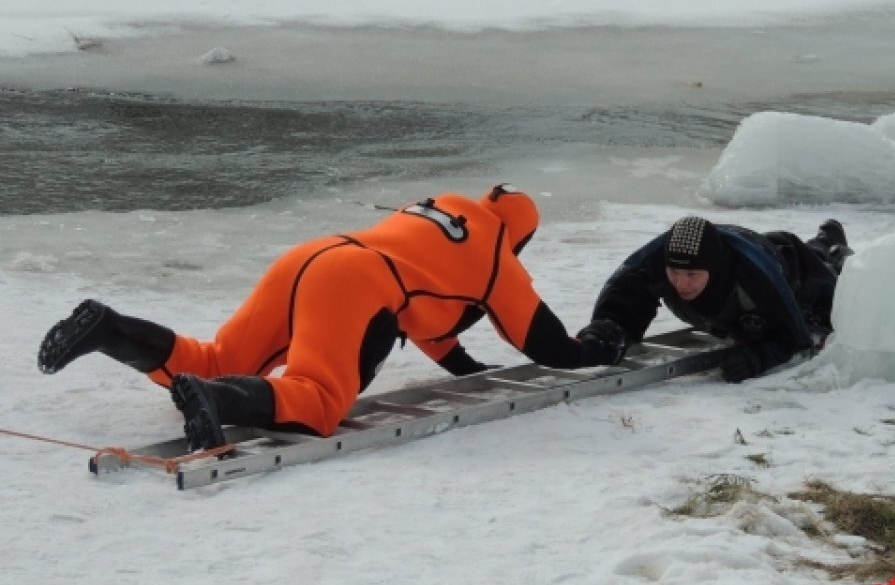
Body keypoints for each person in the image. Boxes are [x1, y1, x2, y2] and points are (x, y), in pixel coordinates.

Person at [38, 185, 627, 451]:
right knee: (318, 401)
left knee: (218, 357)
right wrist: (598, 348)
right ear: (519, 238)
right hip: (357, 285)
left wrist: (467, 367)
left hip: (311, 255)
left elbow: (432, 315)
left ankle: (110, 329)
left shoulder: (440, 208)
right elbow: (545, 343)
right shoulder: (500, 260)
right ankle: (218, 401)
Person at [577, 215, 852, 384]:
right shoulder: (653, 263)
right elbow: (624, 300)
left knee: (829, 288)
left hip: (790, 268)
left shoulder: (758, 278)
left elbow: (795, 336)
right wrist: (607, 332)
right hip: (740, 249)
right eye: (674, 272)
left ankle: (832, 245)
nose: (681, 283)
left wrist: (759, 357)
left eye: (692, 274)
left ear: (714, 268)